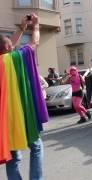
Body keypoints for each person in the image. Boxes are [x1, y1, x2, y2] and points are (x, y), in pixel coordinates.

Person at [0, 13, 44, 180]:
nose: (13, 46)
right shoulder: (13, 59)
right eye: (10, 45)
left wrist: (21, 27)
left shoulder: (6, 60)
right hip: (21, 113)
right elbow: (34, 43)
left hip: (4, 121)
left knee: (13, 157)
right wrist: (36, 26)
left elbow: (9, 45)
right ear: (7, 48)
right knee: (36, 146)